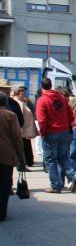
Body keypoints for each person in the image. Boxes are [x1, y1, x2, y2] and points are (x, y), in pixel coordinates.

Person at [35, 78, 76, 193]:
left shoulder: (42, 100)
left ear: (41, 87)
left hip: (51, 132)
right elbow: (71, 114)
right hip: (65, 131)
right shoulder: (61, 98)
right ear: (51, 85)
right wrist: (69, 127)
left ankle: (56, 186)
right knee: (62, 156)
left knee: (51, 160)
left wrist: (42, 133)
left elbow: (42, 120)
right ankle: (73, 174)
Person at [0, 93, 26, 221]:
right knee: (4, 184)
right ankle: (1, 212)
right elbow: (16, 137)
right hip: (5, 155)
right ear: (5, 103)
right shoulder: (10, 115)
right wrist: (21, 157)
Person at [11, 86, 36, 168]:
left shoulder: (22, 102)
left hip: (25, 129)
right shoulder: (19, 103)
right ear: (17, 94)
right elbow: (19, 117)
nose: (23, 96)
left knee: (26, 146)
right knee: (23, 146)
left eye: (24, 94)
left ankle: (27, 161)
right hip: (22, 129)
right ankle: (23, 162)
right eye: (22, 94)